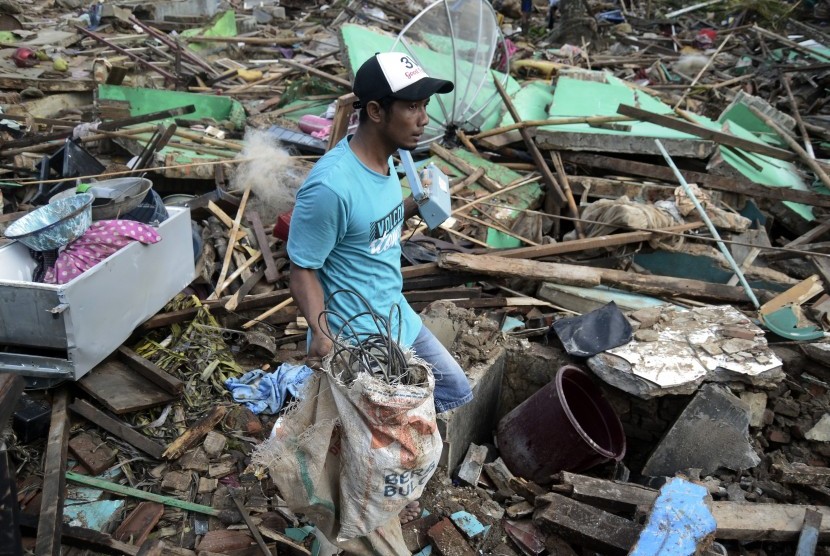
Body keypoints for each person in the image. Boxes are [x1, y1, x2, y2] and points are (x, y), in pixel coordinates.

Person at [286, 52, 474, 522]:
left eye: (424, 105)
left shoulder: (394, 159)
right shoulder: (330, 187)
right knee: (366, 440)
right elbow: (302, 267)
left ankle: (394, 480)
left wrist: (415, 206)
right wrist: (322, 334)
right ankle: (364, 508)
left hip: (396, 315)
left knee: (453, 389)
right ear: (374, 111)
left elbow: (372, 225)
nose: (423, 118)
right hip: (357, 337)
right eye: (411, 106)